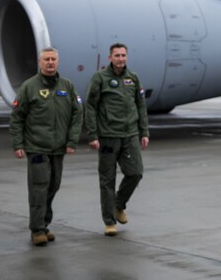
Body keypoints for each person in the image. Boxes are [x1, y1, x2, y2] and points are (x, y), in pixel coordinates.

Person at [9, 47, 83, 246]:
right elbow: (17, 118)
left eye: (53, 59)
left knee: (53, 185)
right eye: (46, 59)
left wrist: (72, 141)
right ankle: (37, 230)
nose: (50, 62)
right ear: (40, 62)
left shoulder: (67, 86)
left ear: (58, 62)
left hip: (58, 148)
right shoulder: (29, 87)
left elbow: (77, 114)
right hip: (37, 147)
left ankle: (44, 223)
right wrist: (18, 144)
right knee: (39, 188)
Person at [85, 43, 150, 236]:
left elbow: (140, 106)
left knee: (136, 173)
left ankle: (118, 204)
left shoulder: (133, 78)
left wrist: (144, 132)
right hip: (107, 137)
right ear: (110, 58)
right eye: (117, 55)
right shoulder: (100, 78)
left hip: (130, 135)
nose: (121, 59)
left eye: (123, 55)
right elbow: (90, 106)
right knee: (107, 180)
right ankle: (109, 221)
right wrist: (93, 134)